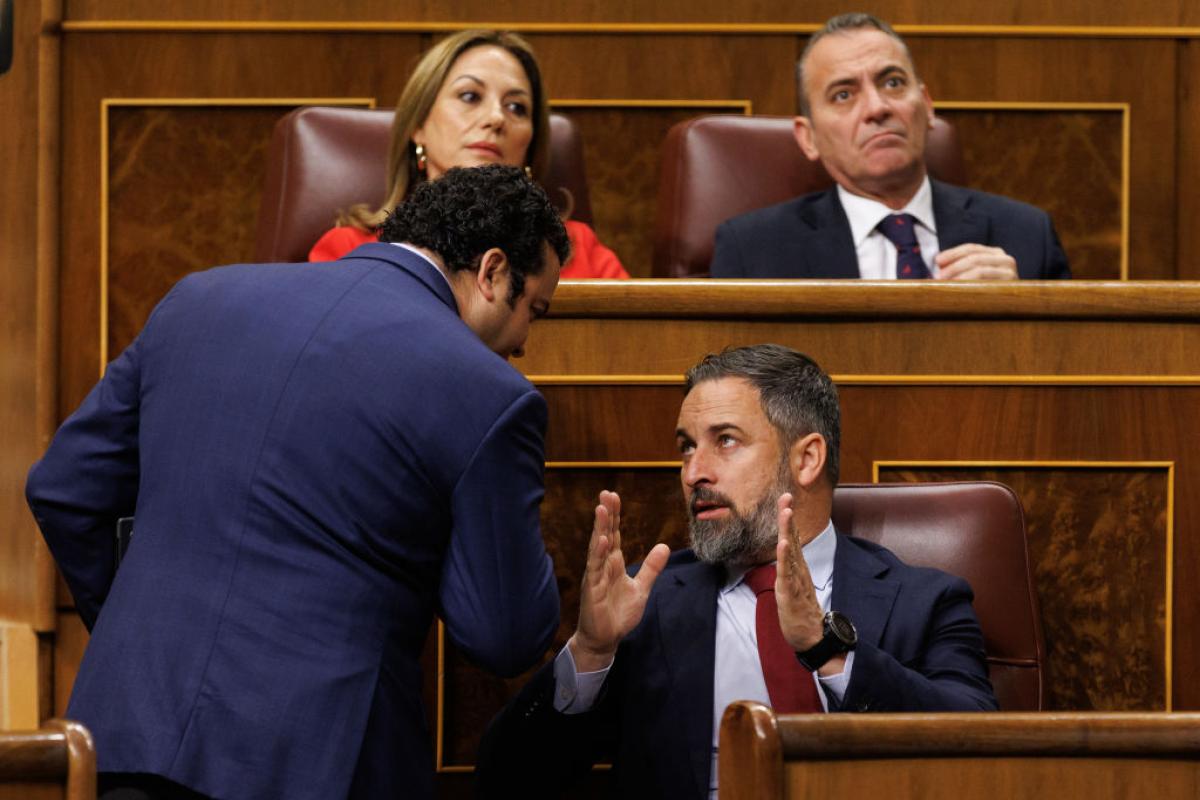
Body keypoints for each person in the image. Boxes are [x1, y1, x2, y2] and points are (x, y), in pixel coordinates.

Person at [26, 165, 569, 800]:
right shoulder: (491, 395)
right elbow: (502, 635)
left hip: (127, 735)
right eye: (536, 309)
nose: (526, 344)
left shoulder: (198, 300)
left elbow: (62, 488)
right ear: (493, 271)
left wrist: (146, 629)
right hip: (320, 764)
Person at [476, 344, 997, 799]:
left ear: (807, 459)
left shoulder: (924, 600)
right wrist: (590, 652)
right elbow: (507, 780)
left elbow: (985, 758)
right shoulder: (648, 605)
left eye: (724, 440)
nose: (694, 472)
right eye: (686, 446)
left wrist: (828, 650)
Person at [711, 14, 1071, 281]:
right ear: (808, 138)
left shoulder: (1026, 235)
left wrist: (1019, 308)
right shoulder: (753, 251)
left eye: (893, 83)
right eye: (843, 95)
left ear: (927, 105)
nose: (877, 108)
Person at [309, 29, 629, 280]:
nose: (496, 118)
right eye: (470, 96)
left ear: (530, 146)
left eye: (516, 107)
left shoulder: (578, 250)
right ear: (418, 124)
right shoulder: (350, 249)